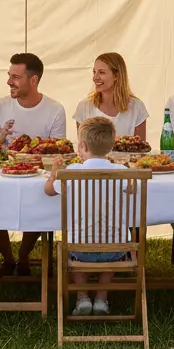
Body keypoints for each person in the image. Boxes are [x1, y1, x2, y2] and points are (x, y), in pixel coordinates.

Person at [0, 52, 67, 276]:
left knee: (44, 199)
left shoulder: (54, 109)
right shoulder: (0, 106)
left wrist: (33, 155)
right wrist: (0, 136)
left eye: (15, 77)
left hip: (38, 176)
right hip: (3, 173)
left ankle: (23, 254)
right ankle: (8, 258)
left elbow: (59, 150)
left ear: (33, 80)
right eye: (9, 75)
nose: (9, 81)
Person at [45, 116, 129, 316]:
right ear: (111, 147)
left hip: (79, 248)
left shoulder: (72, 171)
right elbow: (132, 189)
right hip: (115, 248)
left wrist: (54, 171)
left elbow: (49, 190)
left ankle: (82, 296)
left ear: (82, 146)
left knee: (74, 245)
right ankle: (101, 298)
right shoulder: (121, 171)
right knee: (110, 245)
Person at [72, 52, 149, 140]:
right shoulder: (84, 107)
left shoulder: (137, 107)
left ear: (116, 76)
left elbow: (141, 149)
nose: (95, 77)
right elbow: (83, 149)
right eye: (94, 72)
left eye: (101, 72)